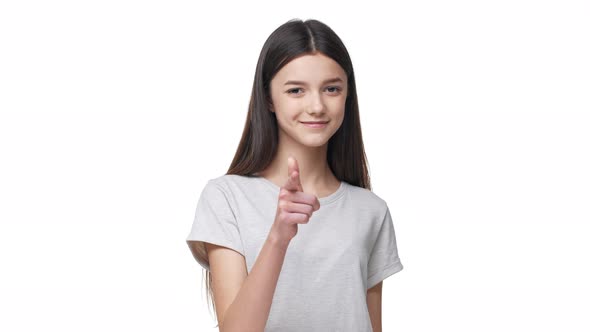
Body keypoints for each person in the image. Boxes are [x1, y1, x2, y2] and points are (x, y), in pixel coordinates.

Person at [186, 18, 403, 332]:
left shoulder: (371, 210)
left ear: (347, 95)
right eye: (296, 90)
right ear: (269, 98)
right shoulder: (226, 197)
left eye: (331, 88)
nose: (316, 106)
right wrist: (278, 237)